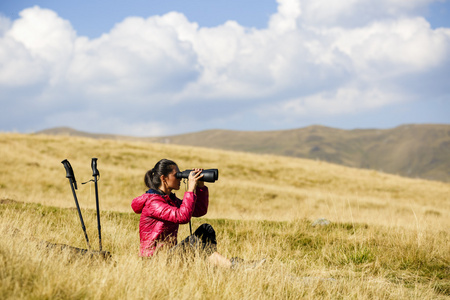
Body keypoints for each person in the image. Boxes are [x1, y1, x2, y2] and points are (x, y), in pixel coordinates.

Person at [131, 159, 236, 267]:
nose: (180, 178)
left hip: (167, 256)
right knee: (193, 241)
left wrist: (200, 187)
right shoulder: (153, 202)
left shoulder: (171, 200)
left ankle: (217, 265)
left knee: (205, 230)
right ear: (163, 178)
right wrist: (190, 189)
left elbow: (199, 210)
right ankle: (231, 266)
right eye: (177, 175)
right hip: (153, 261)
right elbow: (182, 217)